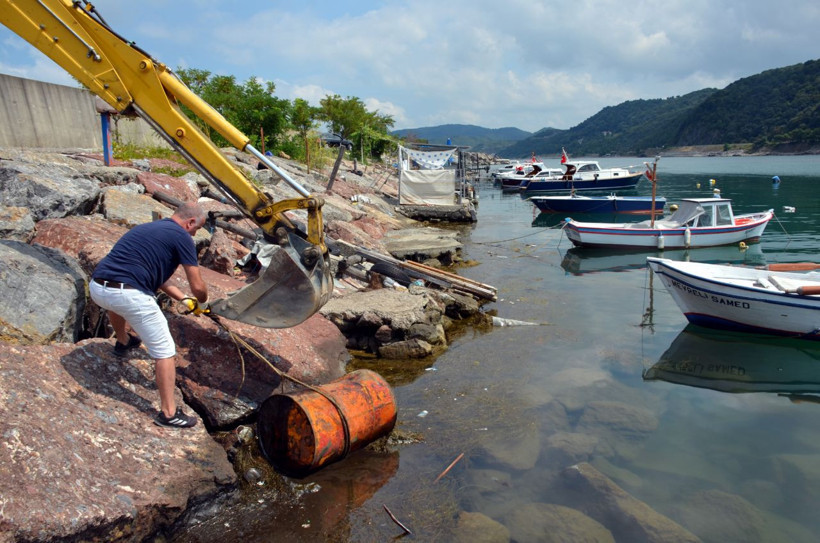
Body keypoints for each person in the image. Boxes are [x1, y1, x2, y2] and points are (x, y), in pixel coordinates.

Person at [90, 202, 209, 428]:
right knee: (165, 350)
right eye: (197, 229)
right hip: (128, 294)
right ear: (190, 222)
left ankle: (123, 341)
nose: (195, 234)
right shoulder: (183, 237)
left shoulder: (148, 228)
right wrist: (203, 302)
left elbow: (156, 276)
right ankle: (169, 414)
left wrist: (184, 299)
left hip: (98, 288)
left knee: (116, 304)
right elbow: (197, 286)